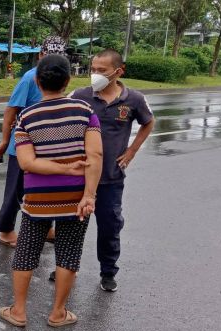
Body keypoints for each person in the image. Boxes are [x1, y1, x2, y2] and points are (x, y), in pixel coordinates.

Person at [0, 54, 103, 328]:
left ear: (37, 81)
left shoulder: (26, 118)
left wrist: (59, 169)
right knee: (69, 253)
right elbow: (96, 155)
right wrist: (88, 194)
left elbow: (27, 163)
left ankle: (18, 311)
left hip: (38, 199)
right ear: (68, 80)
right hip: (76, 198)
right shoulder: (85, 112)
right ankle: (58, 313)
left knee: (26, 252)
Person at [66, 49, 155, 292]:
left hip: (111, 179)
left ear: (118, 71)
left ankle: (108, 272)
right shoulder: (80, 95)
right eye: (93, 69)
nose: (95, 74)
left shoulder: (133, 99)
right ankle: (65, 268)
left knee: (110, 226)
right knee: (72, 227)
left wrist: (132, 151)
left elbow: (149, 122)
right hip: (78, 177)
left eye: (101, 70)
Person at [0, 35, 67, 248]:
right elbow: (11, 111)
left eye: (59, 56)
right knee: (16, 191)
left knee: (46, 189)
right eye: (49, 55)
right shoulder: (30, 78)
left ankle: (46, 228)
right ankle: (6, 231)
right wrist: (6, 140)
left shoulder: (62, 77)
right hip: (23, 147)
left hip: (48, 146)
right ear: (41, 55)